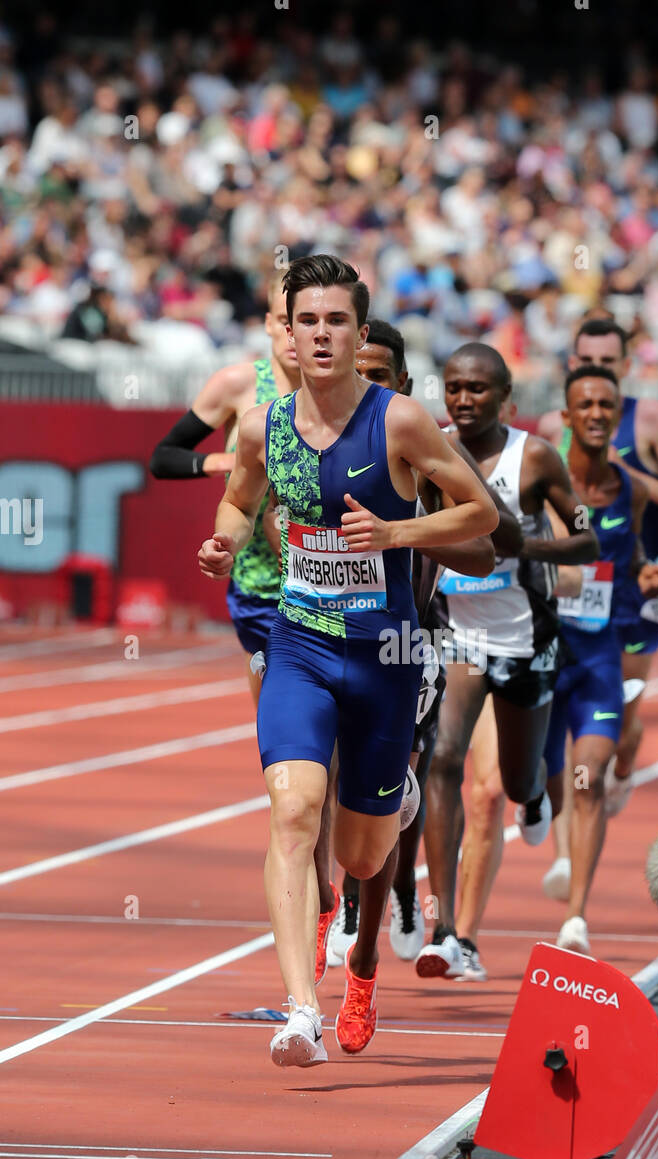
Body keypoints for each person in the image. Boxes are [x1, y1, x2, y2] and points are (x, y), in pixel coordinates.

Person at [197, 255, 498, 1067]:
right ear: (286, 335)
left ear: (358, 333)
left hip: (386, 655)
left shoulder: (397, 420)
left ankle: (387, 833)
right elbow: (239, 494)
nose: (322, 334)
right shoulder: (262, 425)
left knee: (363, 855)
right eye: (308, 321)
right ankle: (301, 1011)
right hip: (297, 644)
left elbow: (483, 512)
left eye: (337, 321)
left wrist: (395, 533)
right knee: (293, 811)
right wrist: (226, 541)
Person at [150, 273, 340, 969]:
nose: (298, 336)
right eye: (286, 322)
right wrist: (225, 462)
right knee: (291, 760)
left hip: (335, 594)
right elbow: (163, 457)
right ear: (270, 327)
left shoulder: (341, 399)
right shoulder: (240, 389)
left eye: (311, 322)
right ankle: (318, 893)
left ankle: (346, 879)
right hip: (262, 595)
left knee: (338, 754)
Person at [325, 317, 505, 1002]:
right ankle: (349, 900)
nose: (363, 382)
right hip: (324, 637)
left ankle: (394, 894)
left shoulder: (417, 450)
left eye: (378, 374)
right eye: (355, 368)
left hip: (407, 647)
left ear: (400, 385)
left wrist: (404, 536)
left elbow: (485, 549)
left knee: (395, 786)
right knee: (326, 774)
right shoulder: (311, 439)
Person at [417, 343, 599, 982]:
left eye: (478, 390)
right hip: (459, 635)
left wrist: (526, 549)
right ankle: (445, 933)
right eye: (455, 388)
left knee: (519, 783)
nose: (464, 400)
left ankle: (537, 797)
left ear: (505, 398)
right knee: (443, 760)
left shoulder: (536, 457)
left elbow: (587, 538)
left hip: (527, 639)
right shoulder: (430, 447)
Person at [540, 317, 658, 819]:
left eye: (607, 364)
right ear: (572, 365)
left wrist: (626, 475)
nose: (597, 371)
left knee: (626, 720)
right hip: (574, 587)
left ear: (626, 367)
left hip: (636, 583)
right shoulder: (554, 427)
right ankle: (573, 829)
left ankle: (626, 764)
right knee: (577, 716)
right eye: (587, 363)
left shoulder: (651, 419)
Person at [543, 365, 658, 952]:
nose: (596, 412)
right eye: (584, 404)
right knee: (535, 783)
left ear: (618, 418)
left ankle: (575, 920)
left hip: (597, 657)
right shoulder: (543, 478)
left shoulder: (632, 489)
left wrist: (643, 571)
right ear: (567, 417)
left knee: (585, 778)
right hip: (539, 655)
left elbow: (634, 549)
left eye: (606, 405)